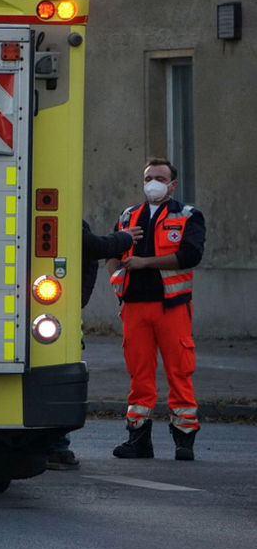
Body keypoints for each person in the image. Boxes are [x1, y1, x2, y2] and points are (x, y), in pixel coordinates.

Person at [106, 157, 206, 461]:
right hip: (134, 306)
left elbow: (190, 255)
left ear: (172, 185)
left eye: (161, 178)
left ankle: (184, 440)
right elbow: (111, 249)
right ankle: (138, 439)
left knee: (180, 371)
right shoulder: (128, 215)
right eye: (150, 177)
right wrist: (116, 277)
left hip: (171, 307)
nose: (154, 183)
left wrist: (144, 263)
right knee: (139, 375)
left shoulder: (188, 215)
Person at [46, 219, 142, 470]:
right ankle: (57, 447)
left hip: (60, 310)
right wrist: (124, 238)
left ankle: (55, 446)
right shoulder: (66, 213)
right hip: (60, 313)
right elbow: (92, 246)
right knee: (60, 376)